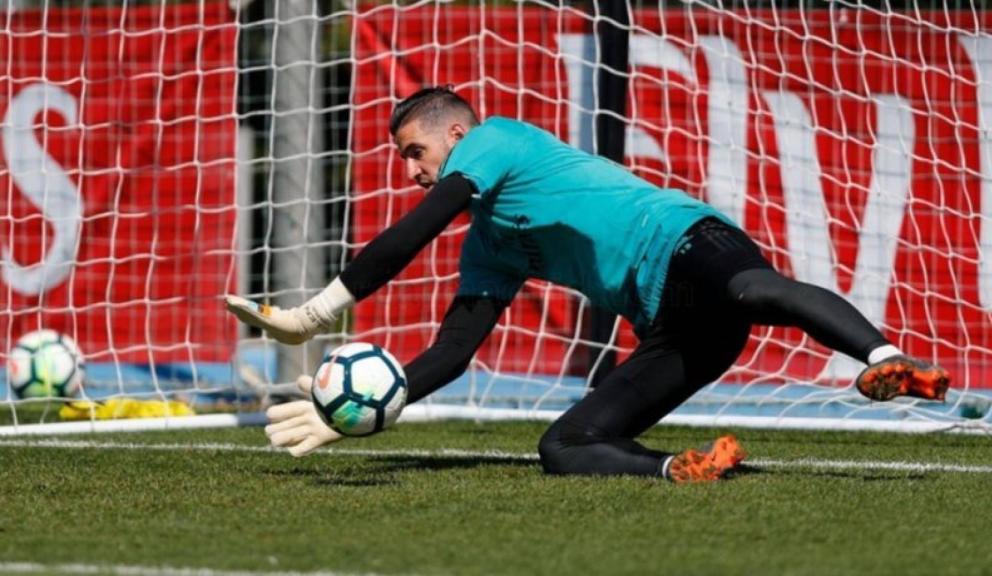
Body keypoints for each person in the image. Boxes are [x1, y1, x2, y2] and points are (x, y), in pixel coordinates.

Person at [225, 86, 950, 483]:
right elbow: (453, 353)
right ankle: (682, 470)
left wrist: (316, 314)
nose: (414, 170)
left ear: (454, 137)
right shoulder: (489, 247)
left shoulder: (494, 138)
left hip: (686, 239)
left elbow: (414, 230)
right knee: (565, 446)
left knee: (755, 292)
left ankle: (886, 360)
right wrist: (366, 414)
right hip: (671, 322)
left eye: (417, 152)